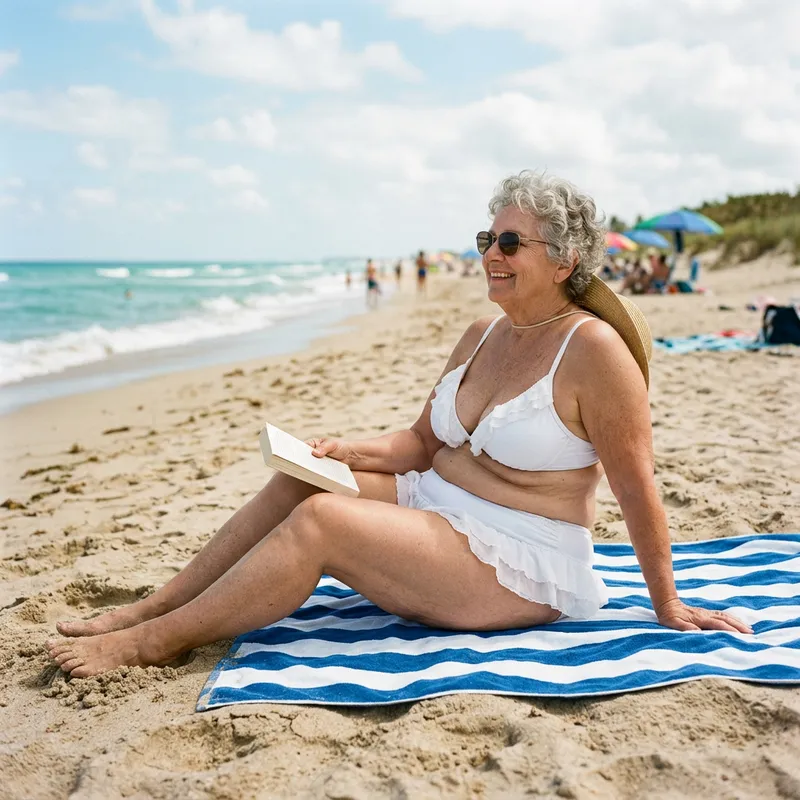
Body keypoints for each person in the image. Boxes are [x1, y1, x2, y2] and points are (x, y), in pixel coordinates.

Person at [47, 171, 751, 678]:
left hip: (517, 557)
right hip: (436, 504)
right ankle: (153, 607)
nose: (491, 255)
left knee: (324, 521)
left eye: (511, 242)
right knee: (301, 484)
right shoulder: (483, 331)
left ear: (565, 259)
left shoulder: (594, 352)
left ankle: (152, 643)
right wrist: (347, 450)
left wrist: (667, 601)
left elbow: (636, 486)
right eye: (486, 237)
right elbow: (420, 444)